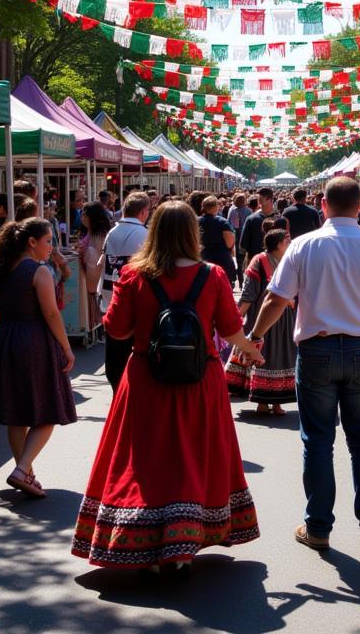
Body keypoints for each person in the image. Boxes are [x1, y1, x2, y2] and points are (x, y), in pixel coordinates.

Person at [71, 201, 263, 570]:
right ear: (193, 233)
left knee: (146, 460)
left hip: (146, 377)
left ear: (154, 230)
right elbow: (229, 329)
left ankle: (146, 537)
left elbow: (117, 330)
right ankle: (184, 544)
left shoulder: (133, 275)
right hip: (199, 380)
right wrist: (251, 351)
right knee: (192, 456)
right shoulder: (213, 275)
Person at [249, 176, 360, 551]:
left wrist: (254, 337)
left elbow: (276, 300)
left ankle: (318, 526)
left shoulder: (303, 245)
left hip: (317, 351)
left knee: (318, 441)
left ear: (324, 206)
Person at [0, 217, 76, 498]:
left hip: (5, 339)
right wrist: (66, 347)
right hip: (33, 340)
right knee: (48, 409)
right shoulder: (39, 271)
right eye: (48, 241)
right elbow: (51, 313)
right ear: (31, 242)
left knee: (15, 414)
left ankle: (26, 472)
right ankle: (22, 470)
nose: (50, 247)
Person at [227, 227, 295, 415]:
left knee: (279, 359)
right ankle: (262, 402)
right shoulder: (259, 261)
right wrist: (237, 317)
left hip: (283, 321)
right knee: (262, 357)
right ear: (279, 245)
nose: (288, 244)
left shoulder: (287, 261)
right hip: (262, 320)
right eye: (286, 241)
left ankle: (277, 402)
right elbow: (249, 294)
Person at [100, 192, 151, 393]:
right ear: (144, 212)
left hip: (110, 295)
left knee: (115, 351)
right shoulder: (144, 234)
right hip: (133, 300)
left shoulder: (112, 232)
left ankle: (118, 388)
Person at [77, 202, 112, 340]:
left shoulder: (99, 235)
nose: (82, 218)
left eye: (84, 215)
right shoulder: (92, 232)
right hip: (90, 277)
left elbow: (95, 257)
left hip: (93, 278)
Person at [199, 195, 237, 285]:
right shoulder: (222, 222)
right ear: (215, 207)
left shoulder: (195, 221)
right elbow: (230, 242)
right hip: (221, 259)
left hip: (202, 257)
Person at [240, 188, 277, 261]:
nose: (258, 201)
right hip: (256, 261)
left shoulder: (279, 219)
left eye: (260, 198)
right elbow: (243, 244)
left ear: (269, 199)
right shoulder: (251, 219)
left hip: (274, 262)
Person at [227, 193, 253, 288]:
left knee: (238, 260)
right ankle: (246, 281)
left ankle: (240, 281)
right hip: (246, 235)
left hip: (236, 236)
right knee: (246, 259)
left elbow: (229, 224)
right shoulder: (249, 211)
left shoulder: (232, 210)